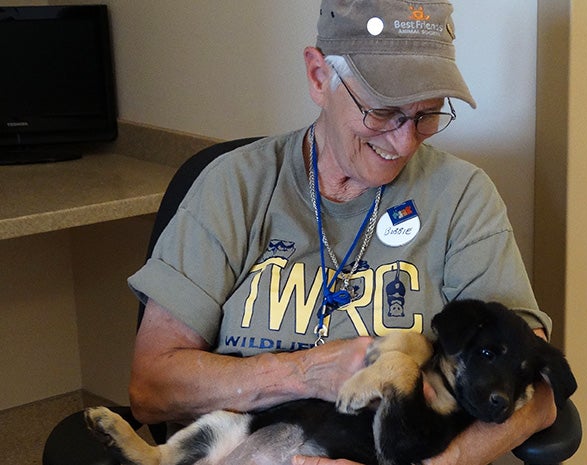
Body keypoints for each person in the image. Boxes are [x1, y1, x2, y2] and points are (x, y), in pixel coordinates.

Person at [127, 1, 557, 464]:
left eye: (427, 114)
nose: (404, 141)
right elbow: (150, 387)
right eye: (382, 111)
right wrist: (304, 373)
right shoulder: (234, 185)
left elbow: (540, 397)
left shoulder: (462, 198)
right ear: (318, 77)